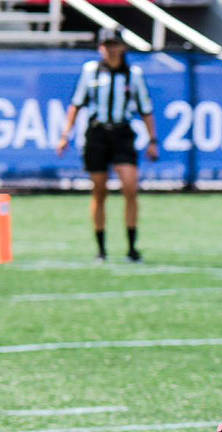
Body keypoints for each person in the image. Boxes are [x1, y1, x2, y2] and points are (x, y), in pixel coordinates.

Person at [56, 28, 158, 263]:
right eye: (105, 45)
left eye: (113, 44)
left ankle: (132, 247)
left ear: (122, 47)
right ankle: (100, 248)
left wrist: (152, 141)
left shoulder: (134, 74)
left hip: (122, 133)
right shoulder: (90, 72)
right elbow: (76, 104)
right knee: (99, 190)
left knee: (130, 187)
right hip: (97, 134)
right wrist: (65, 135)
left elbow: (146, 109)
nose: (109, 49)